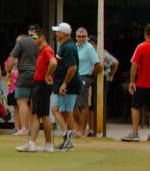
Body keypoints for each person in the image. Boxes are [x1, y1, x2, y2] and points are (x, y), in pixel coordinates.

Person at [16, 27, 55, 152]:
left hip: (42, 84)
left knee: (38, 115)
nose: (33, 39)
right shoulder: (42, 50)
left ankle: (32, 143)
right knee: (43, 115)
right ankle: (47, 144)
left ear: (42, 37)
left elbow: (53, 62)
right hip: (42, 84)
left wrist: (48, 75)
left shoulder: (45, 50)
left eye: (35, 37)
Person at [122, 24, 150, 142]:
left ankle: (135, 132)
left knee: (135, 107)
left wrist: (132, 81)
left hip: (142, 83)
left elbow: (134, 65)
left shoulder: (141, 47)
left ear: (145, 34)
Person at [49, 22, 80, 152]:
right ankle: (66, 136)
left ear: (63, 33)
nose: (56, 34)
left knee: (67, 112)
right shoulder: (65, 46)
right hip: (62, 84)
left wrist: (64, 83)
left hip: (68, 85)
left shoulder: (68, 47)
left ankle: (68, 139)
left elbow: (72, 67)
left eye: (57, 31)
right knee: (56, 109)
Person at [7, 25, 40, 137]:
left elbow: (12, 58)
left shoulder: (22, 42)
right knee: (33, 104)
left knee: (22, 102)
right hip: (37, 76)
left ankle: (24, 128)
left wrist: (8, 71)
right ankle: (32, 128)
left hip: (24, 76)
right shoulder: (40, 43)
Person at [73, 27, 100, 137]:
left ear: (87, 37)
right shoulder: (74, 47)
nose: (81, 39)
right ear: (76, 37)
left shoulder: (89, 48)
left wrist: (92, 76)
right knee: (73, 105)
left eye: (83, 36)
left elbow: (97, 64)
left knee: (83, 105)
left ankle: (83, 130)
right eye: (79, 36)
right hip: (74, 76)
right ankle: (78, 127)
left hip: (85, 76)